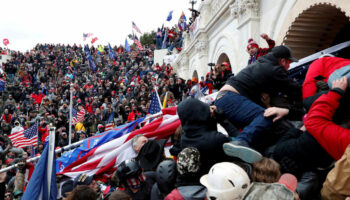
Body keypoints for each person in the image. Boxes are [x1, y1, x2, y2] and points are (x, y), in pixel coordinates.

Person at [215, 45, 301, 163]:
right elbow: (294, 89)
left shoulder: (260, 63)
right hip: (230, 98)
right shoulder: (275, 69)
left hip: (224, 99)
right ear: (282, 61)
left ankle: (245, 152)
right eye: (288, 63)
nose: (289, 67)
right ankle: (240, 141)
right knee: (267, 115)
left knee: (258, 127)